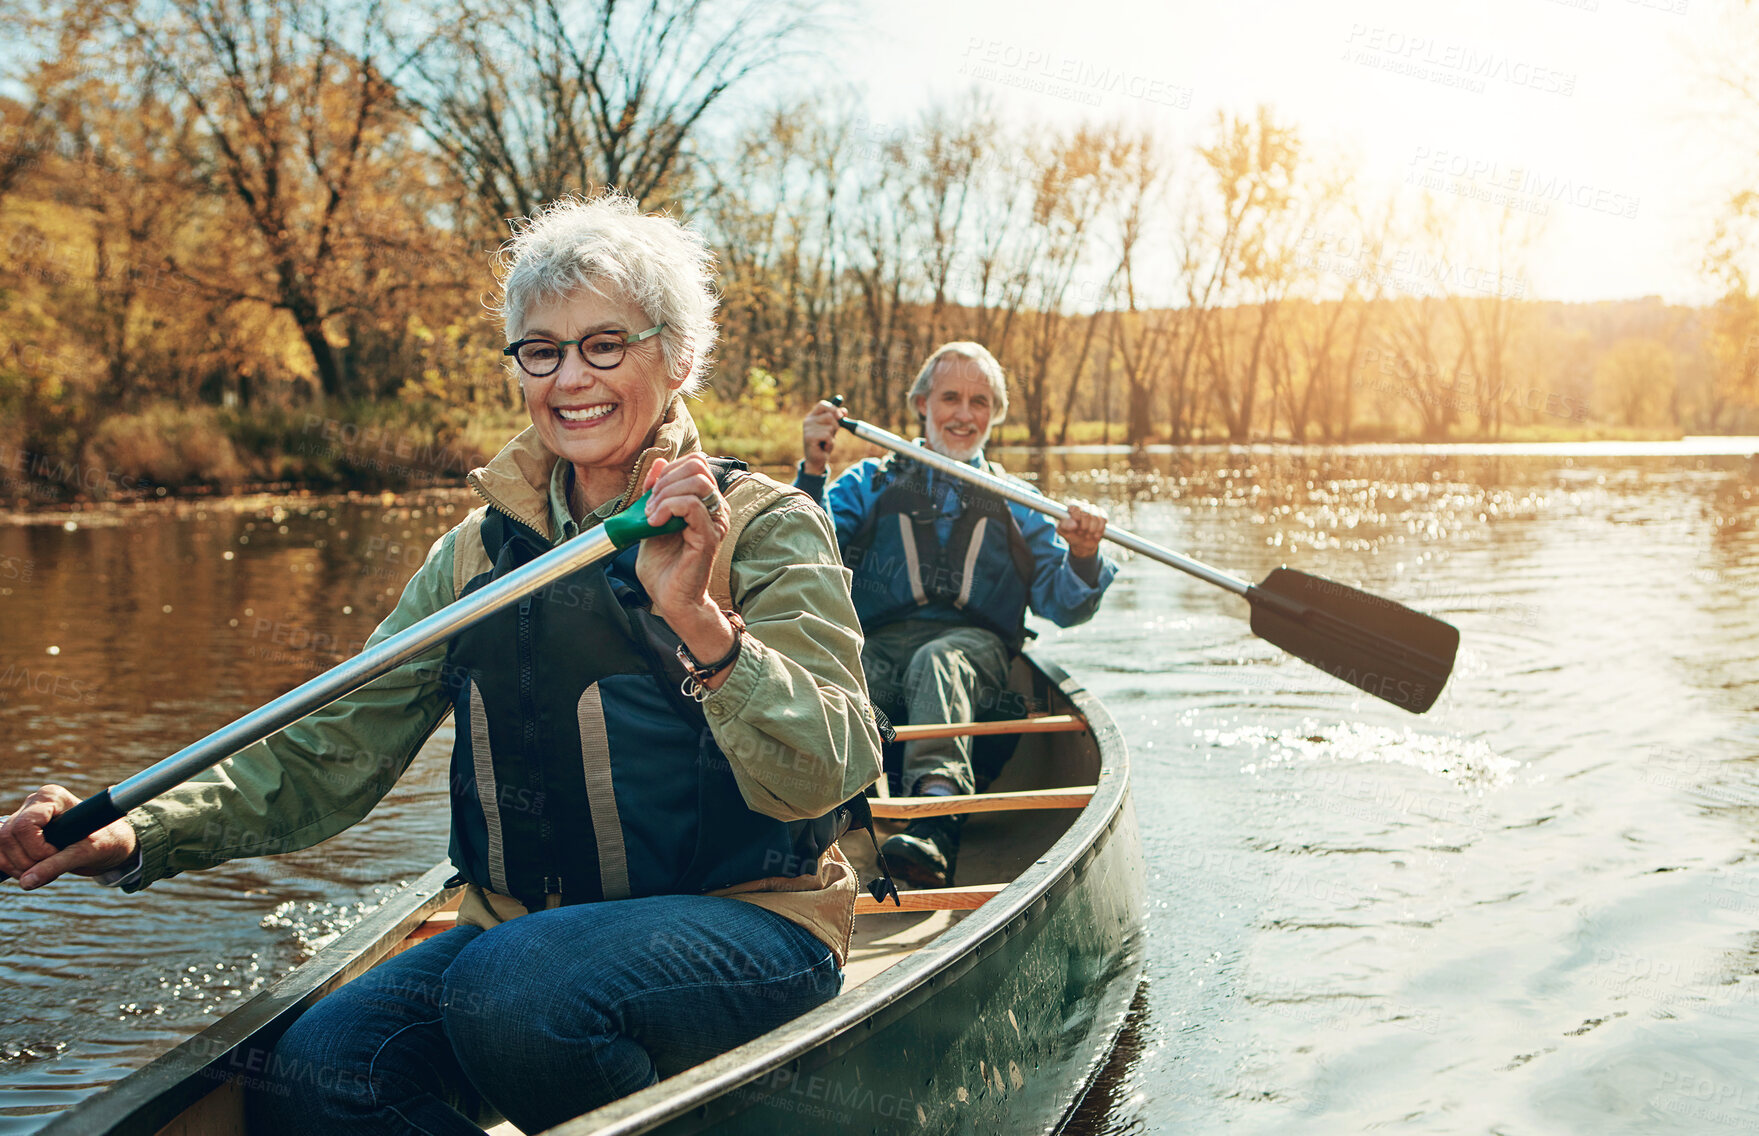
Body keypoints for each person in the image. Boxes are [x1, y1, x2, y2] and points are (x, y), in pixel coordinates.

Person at [0, 193, 883, 1135]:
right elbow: (326, 750)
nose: (569, 377)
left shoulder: (768, 525)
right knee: (321, 1072)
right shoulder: (474, 557)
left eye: (605, 344)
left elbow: (835, 764)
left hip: (750, 924)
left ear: (679, 360)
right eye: (540, 349)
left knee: (518, 995)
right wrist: (135, 833)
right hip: (515, 935)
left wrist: (701, 622)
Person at [795, 341, 1115, 889]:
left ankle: (935, 822)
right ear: (922, 403)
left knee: (938, 660)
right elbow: (803, 558)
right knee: (838, 663)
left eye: (980, 402)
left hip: (976, 661)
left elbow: (1065, 605)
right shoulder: (866, 483)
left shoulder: (1018, 500)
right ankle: (818, 820)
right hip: (881, 653)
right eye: (950, 397)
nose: (964, 415)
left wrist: (1084, 554)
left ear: (995, 415)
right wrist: (814, 469)